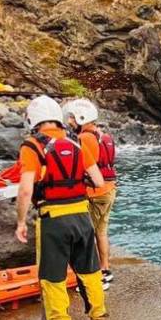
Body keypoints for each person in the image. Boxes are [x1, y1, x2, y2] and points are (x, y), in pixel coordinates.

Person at [14, 96, 109, 320]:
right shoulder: (76, 142)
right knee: (90, 270)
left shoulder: (32, 146)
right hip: (82, 216)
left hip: (53, 218)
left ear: (34, 120)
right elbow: (98, 181)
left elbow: (25, 190)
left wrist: (21, 221)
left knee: (53, 276)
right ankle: (98, 317)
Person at [63, 98, 118, 288]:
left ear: (81, 117)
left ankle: (96, 277)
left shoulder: (85, 138)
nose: (70, 122)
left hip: (95, 193)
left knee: (88, 235)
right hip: (109, 190)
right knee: (101, 232)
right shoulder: (102, 135)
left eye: (72, 118)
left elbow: (86, 166)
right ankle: (105, 270)